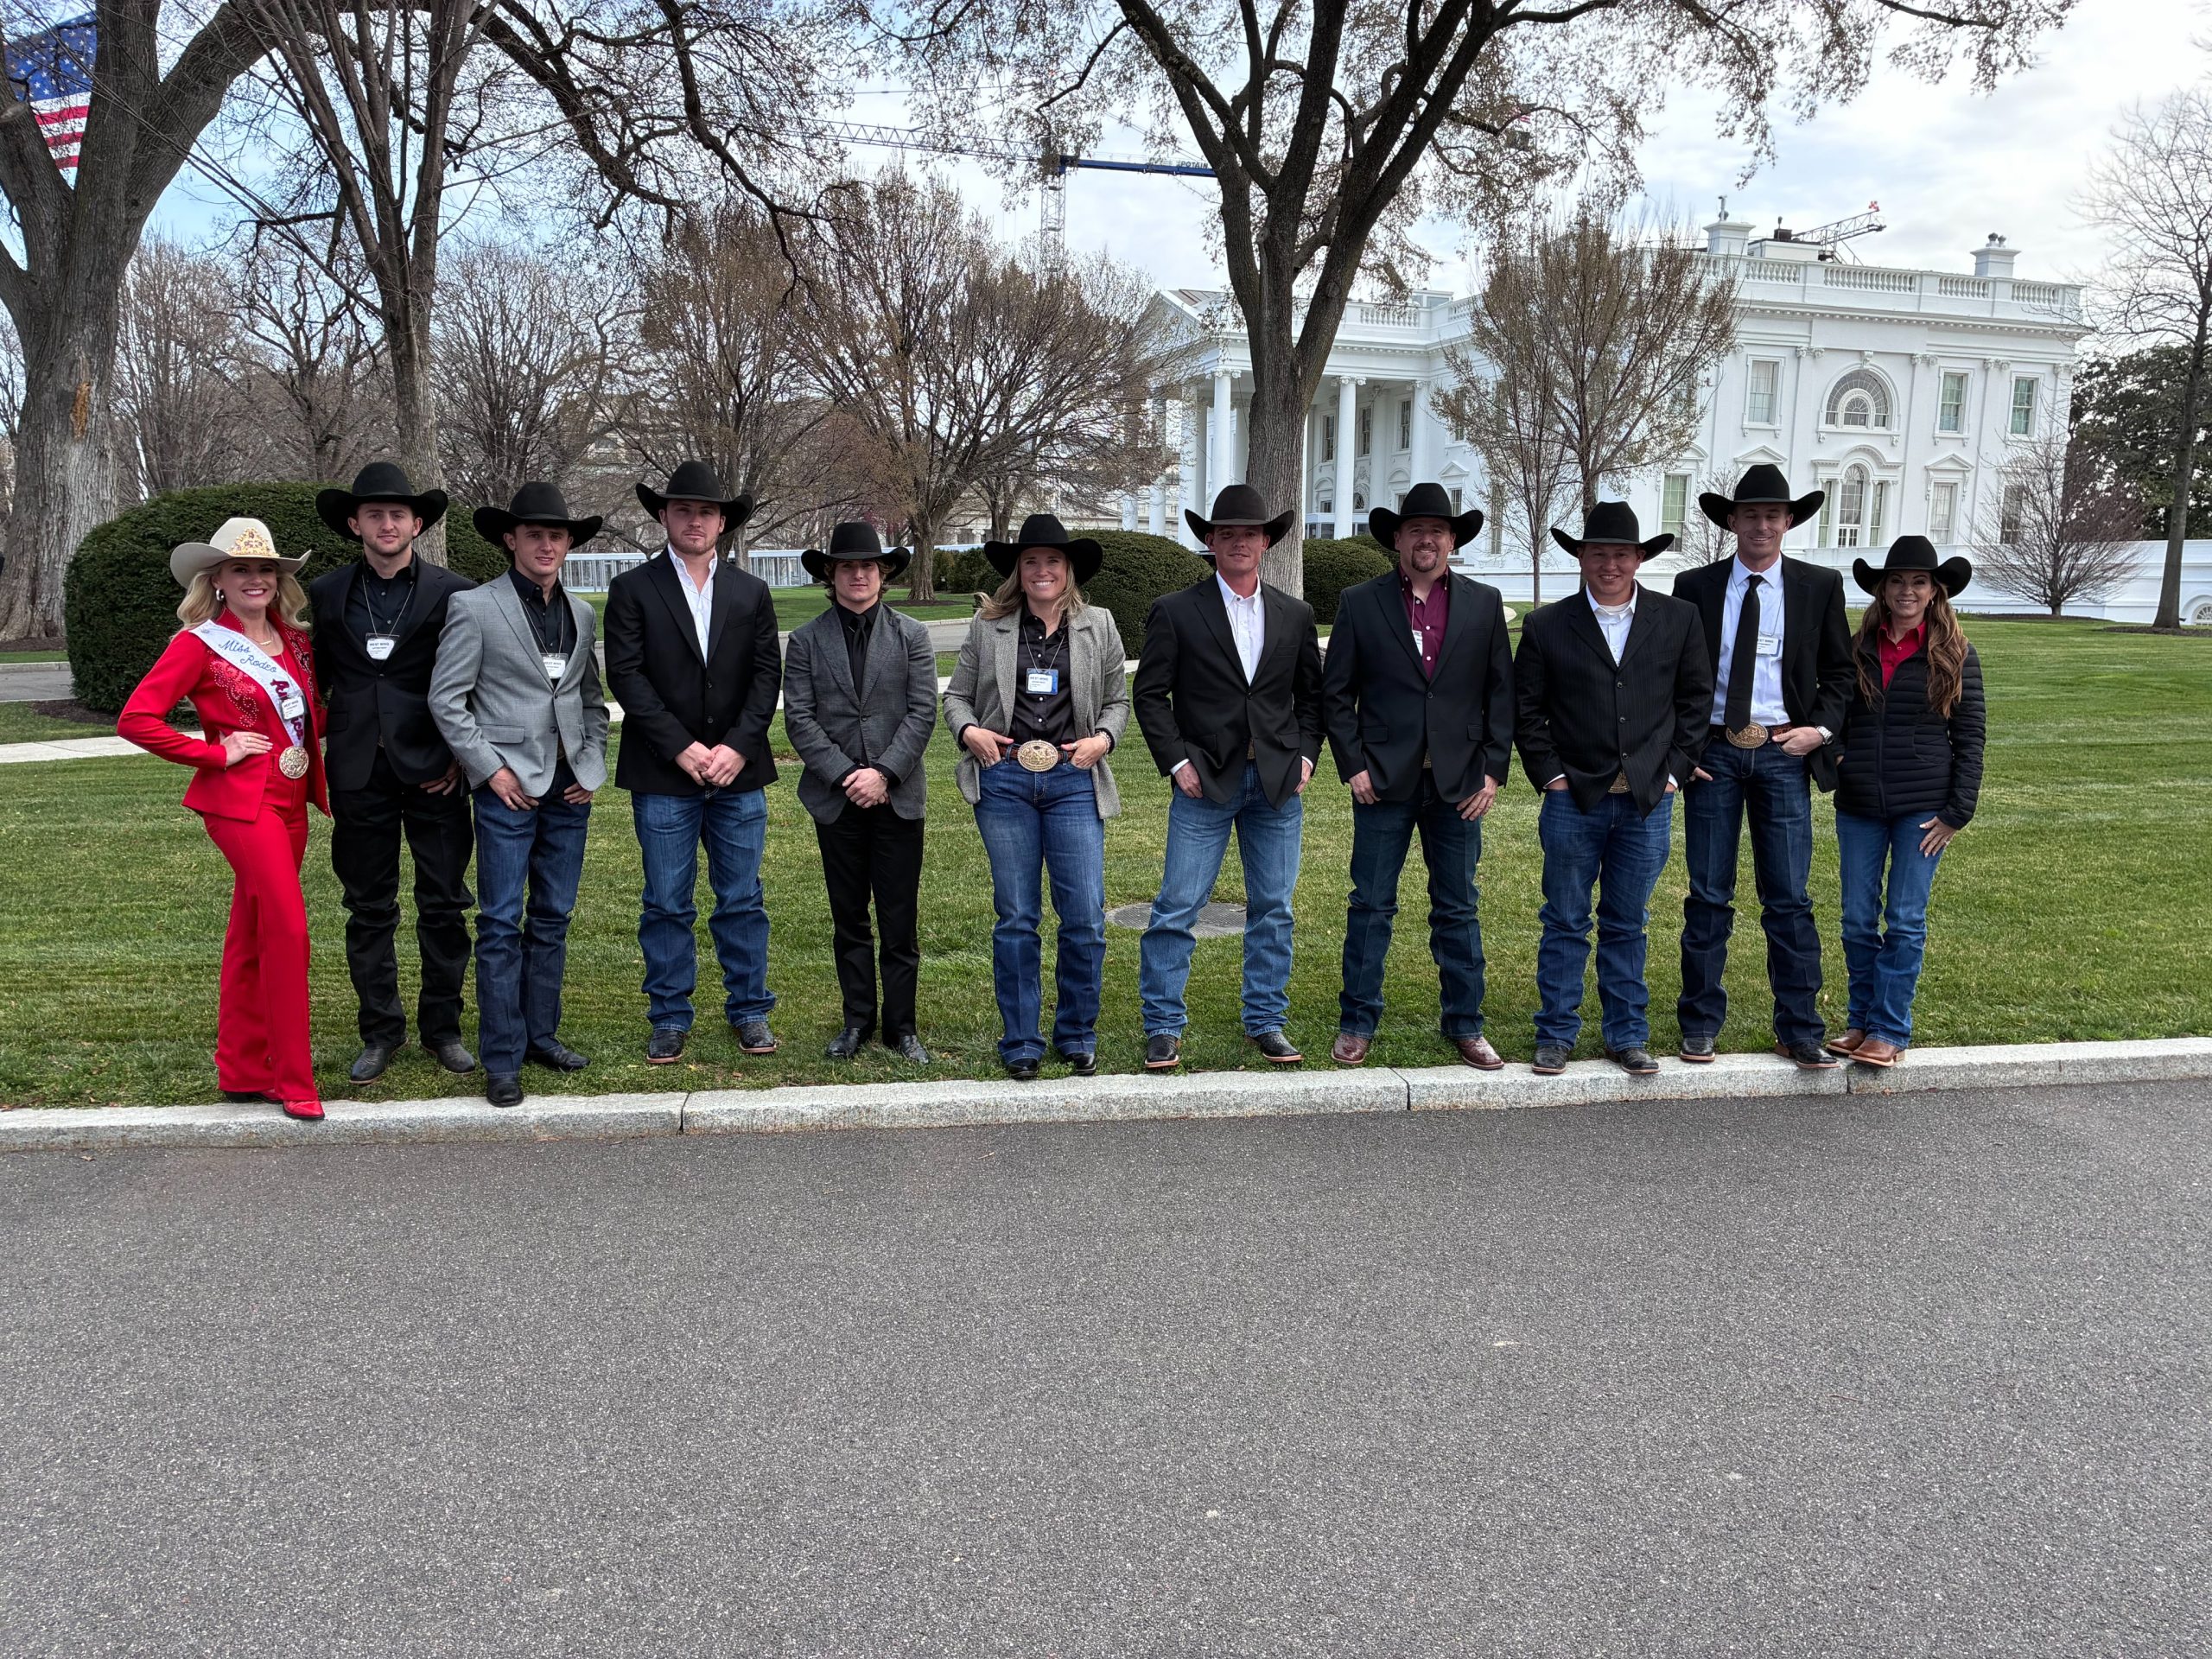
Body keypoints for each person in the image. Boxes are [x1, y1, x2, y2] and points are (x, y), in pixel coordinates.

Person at [119, 518, 329, 1121]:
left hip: (291, 803)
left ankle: (241, 1069)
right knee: (288, 929)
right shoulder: (199, 643)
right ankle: (293, 1080)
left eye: (266, 569)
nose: (256, 579)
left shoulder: (296, 642)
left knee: (251, 934)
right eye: (242, 569)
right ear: (216, 580)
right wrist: (214, 752)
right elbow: (138, 719)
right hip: (241, 804)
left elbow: (309, 719)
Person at [428, 482, 610, 1108]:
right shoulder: (476, 607)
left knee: (553, 919)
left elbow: (590, 702)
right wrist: (489, 771)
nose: (546, 545)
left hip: (568, 790)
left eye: (556, 536)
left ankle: (541, 1036)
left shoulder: (583, 614)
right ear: (511, 539)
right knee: (501, 924)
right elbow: (447, 701)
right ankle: (501, 1058)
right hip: (507, 791)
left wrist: (590, 769)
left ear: (568, 544)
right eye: (534, 534)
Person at [1515, 503, 1713, 1077]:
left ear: (1639, 559)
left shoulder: (1677, 619)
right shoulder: (1548, 625)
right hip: (1574, 797)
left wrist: (1675, 771)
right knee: (1566, 918)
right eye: (1597, 552)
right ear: (1581, 556)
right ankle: (1556, 1032)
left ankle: (1627, 1033)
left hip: (1648, 799)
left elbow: (1696, 704)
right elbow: (1527, 711)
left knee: (1629, 920)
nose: (1609, 563)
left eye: (1621, 553)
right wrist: (1550, 775)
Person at [1321, 481, 1514, 1069]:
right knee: (1371, 904)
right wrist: (1353, 766)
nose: (1426, 539)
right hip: (1382, 782)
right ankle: (1357, 1020)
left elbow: (1501, 696)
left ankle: (1466, 1023)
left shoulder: (1483, 604)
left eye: (1438, 530)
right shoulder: (1361, 602)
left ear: (1452, 540)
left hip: (1460, 786)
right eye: (1415, 529)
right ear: (1398, 539)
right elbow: (1336, 695)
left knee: (1458, 906)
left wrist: (1493, 773)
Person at [1131, 484, 1324, 1071]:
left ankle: (1266, 1019)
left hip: (1275, 784)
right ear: (1211, 541)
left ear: (1266, 542)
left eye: (1251, 533)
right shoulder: (1176, 610)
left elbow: (1313, 699)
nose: (1240, 542)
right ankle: (1163, 1024)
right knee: (1177, 906)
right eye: (1228, 533)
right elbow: (1149, 695)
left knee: (1275, 906)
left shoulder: (1294, 614)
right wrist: (1177, 762)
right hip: (1204, 783)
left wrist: (1308, 756)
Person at [1673, 464, 1856, 1070]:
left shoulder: (1818, 586)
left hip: (1782, 752)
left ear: (1789, 522)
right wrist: (1688, 748)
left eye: (1772, 515)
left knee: (1788, 897)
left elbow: (1840, 674)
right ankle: (1699, 1022)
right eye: (1749, 514)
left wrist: (1820, 731)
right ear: (1731, 521)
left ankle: (1799, 1026)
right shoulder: (1694, 587)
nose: (1761, 525)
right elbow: (1676, 677)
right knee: (1708, 894)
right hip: (1715, 755)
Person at [603, 461, 784, 1065]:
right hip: (662, 772)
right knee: (666, 902)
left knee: (741, 898)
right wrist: (680, 746)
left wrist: (737, 745)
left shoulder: (751, 593)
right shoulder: (633, 590)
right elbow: (626, 675)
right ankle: (670, 1016)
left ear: (723, 522)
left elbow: (766, 677)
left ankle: (750, 1010)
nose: (695, 520)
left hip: (738, 772)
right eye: (682, 510)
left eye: (706, 512)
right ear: (663, 516)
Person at [942, 513, 1130, 1080]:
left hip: (1074, 780)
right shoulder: (988, 626)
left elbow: (1120, 700)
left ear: (1067, 569)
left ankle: (1076, 1033)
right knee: (1018, 916)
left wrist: (1103, 739)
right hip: (1005, 781)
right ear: (1018, 572)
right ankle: (1021, 1039)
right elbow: (956, 698)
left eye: (1052, 560)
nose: (1042, 570)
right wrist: (968, 731)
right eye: (1031, 562)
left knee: (1083, 917)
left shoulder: (1099, 624)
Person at [308, 461, 479, 1084]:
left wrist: (461, 756)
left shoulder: (456, 591)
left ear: (418, 523)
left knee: (444, 905)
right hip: (357, 771)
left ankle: (444, 1028)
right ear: (354, 523)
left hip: (435, 770)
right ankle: (380, 1032)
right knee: (368, 908)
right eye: (374, 514)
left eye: (398, 514)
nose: (387, 523)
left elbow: (474, 683)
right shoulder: (325, 595)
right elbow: (313, 681)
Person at [782, 523, 938, 1063]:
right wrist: (848, 775)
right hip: (835, 798)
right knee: (849, 918)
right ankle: (856, 1022)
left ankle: (902, 1026)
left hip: (897, 796)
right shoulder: (805, 641)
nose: (859, 575)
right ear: (832, 574)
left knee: (899, 918)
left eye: (869, 566)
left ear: (884, 574)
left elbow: (923, 713)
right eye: (848, 566)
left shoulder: (912, 636)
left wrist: (885, 774)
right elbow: (799, 720)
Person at [1829, 537, 1986, 1068]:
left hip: (1923, 807)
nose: (1907, 591)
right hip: (1859, 806)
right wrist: (1841, 757)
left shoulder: (1956, 654)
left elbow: (1971, 738)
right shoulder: (1857, 647)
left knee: (1904, 918)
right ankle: (1860, 1020)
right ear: (1882, 588)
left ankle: (1890, 1029)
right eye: (1897, 580)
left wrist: (1957, 811)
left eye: (1919, 581)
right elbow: (1834, 717)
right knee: (1855, 918)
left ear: (1935, 591)